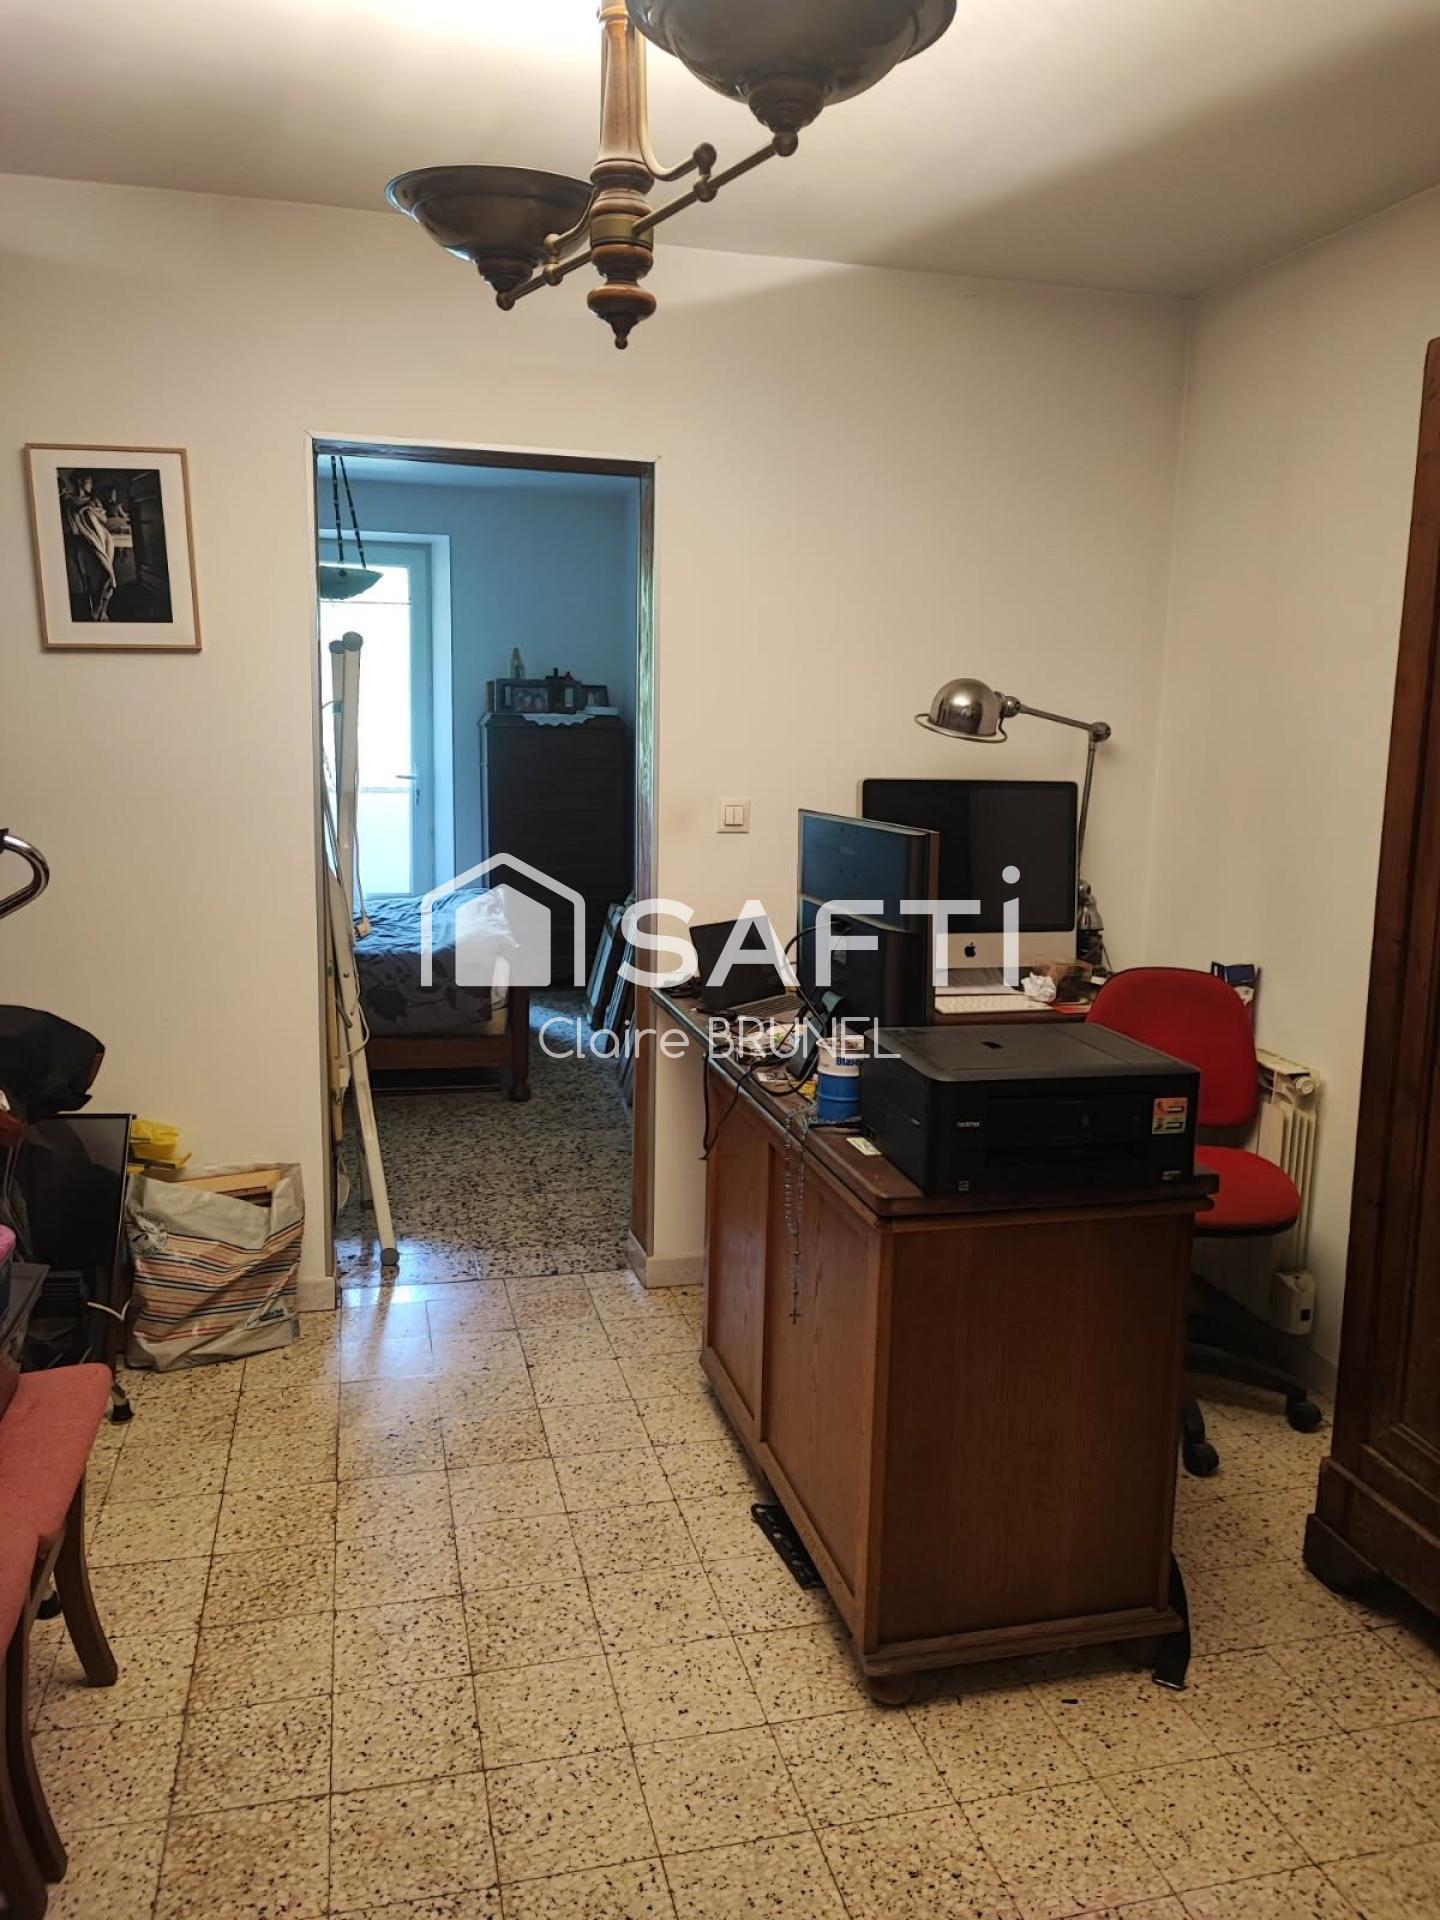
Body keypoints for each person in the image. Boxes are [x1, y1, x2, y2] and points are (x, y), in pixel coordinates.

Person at [58, 471, 116, 621]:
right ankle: (98, 607)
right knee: (105, 574)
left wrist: (89, 509)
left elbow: (104, 519)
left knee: (107, 575)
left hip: (104, 539)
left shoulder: (94, 500)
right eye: (89, 482)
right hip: (87, 541)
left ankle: (103, 610)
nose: (91, 485)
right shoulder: (69, 501)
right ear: (80, 482)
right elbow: (71, 524)